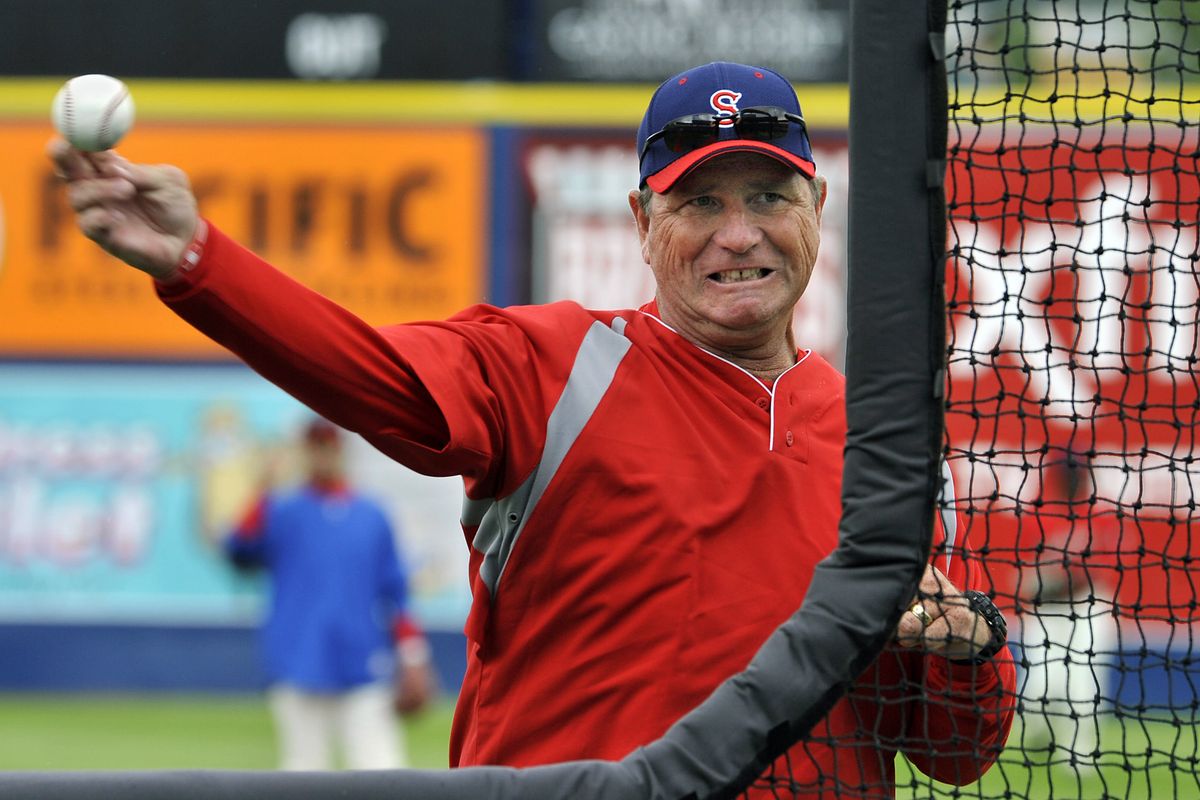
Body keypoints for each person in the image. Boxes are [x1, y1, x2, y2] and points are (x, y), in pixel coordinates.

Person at [52, 61, 1015, 795]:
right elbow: (369, 374)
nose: (738, 233)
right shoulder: (549, 365)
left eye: (769, 196)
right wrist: (194, 259)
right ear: (642, 220)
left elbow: (949, 756)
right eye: (698, 202)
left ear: (817, 208)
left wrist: (968, 648)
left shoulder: (878, 441)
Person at [224, 416, 435, 770]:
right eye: (314, 446)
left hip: (362, 660)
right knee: (303, 772)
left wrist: (413, 657)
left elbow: (397, 594)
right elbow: (238, 550)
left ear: (341, 451)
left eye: (327, 445)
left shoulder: (372, 514)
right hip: (298, 658)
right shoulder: (283, 510)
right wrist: (262, 489)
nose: (321, 454)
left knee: (381, 770)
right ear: (304, 453)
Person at [1017, 450, 1118, 770]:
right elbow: (1024, 577)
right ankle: (1037, 742)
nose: (1073, 478)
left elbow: (1091, 572)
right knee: (1039, 687)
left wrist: (1054, 578)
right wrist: (1046, 580)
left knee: (1083, 684)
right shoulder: (1039, 513)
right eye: (1067, 472)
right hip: (1047, 613)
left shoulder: (1099, 515)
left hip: (1086, 609)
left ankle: (1079, 754)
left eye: (1077, 472)